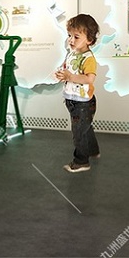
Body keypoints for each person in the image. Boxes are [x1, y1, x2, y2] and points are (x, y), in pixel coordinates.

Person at [55, 14, 100, 173]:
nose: (71, 40)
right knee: (85, 128)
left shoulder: (88, 58)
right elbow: (68, 68)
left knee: (79, 132)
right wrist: (62, 73)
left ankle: (81, 161)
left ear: (90, 40)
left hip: (83, 102)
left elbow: (89, 79)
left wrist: (70, 77)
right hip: (73, 100)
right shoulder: (72, 53)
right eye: (69, 35)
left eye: (76, 37)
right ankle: (93, 151)